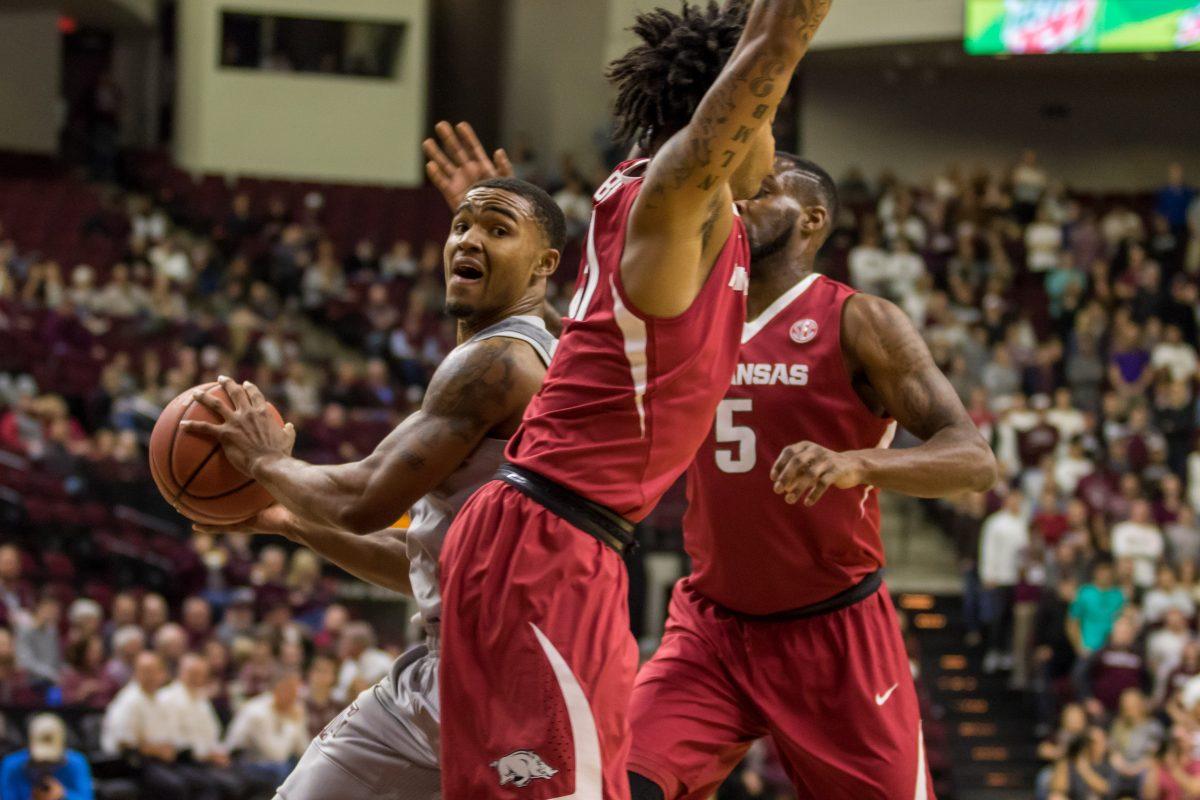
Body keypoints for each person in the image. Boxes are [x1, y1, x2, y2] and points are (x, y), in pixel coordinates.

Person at [185, 155, 562, 798]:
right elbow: (420, 563)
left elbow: (362, 498)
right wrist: (290, 521)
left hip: (517, 682)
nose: (467, 239)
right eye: (461, 226)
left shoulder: (501, 361)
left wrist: (265, 461)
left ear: (545, 265)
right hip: (440, 671)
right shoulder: (503, 355)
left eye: (496, 230)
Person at [625, 151, 996, 798]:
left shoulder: (860, 320)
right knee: (621, 783)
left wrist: (858, 463)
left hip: (834, 634)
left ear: (813, 219)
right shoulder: (695, 312)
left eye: (763, 192)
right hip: (712, 627)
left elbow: (973, 459)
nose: (740, 201)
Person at [101, 652, 217, 800]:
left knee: (202, 782)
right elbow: (125, 743)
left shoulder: (158, 699)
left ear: (162, 674)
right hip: (134, 764)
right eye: (144, 671)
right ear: (136, 673)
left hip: (163, 761)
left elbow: (171, 735)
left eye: (153, 672)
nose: (150, 676)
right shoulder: (129, 701)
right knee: (175, 787)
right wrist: (156, 750)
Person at [224, 667, 309, 789]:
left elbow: (303, 750)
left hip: (272, 763)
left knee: (303, 771)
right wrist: (293, 723)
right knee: (284, 771)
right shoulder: (257, 712)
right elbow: (276, 755)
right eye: (292, 689)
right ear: (277, 689)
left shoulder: (294, 710)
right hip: (242, 763)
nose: (296, 694)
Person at [0, 714, 94, 800]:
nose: (45, 767)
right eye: (40, 763)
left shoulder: (77, 762)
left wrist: (63, 795)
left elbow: (86, 797)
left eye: (51, 762)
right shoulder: (12, 765)